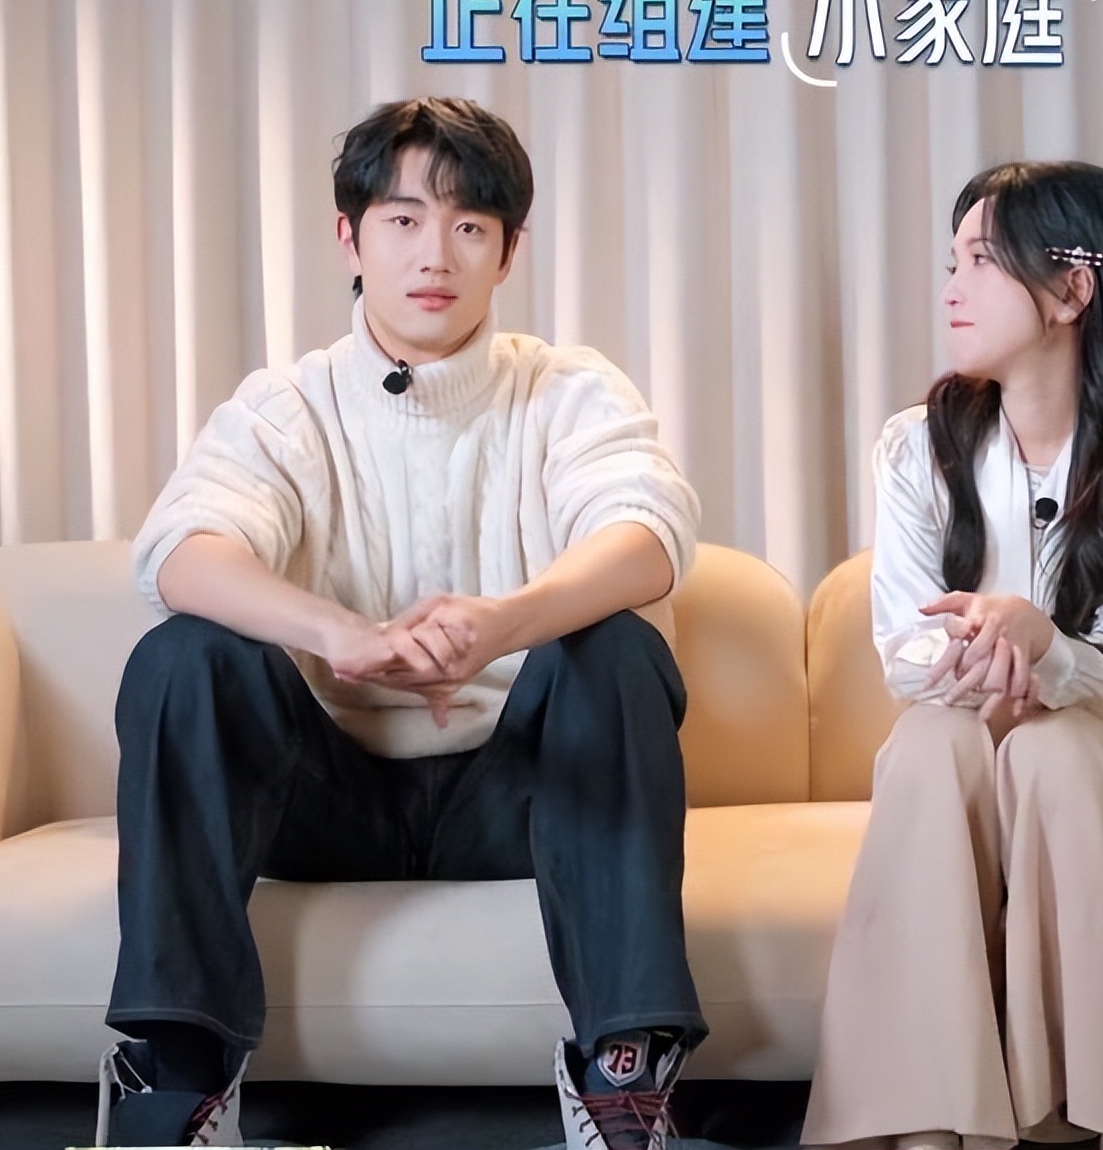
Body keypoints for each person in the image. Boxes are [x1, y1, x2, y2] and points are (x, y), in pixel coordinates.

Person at [96, 96, 707, 1150]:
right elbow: (181, 551)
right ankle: (179, 1084)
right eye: (404, 219)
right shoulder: (288, 404)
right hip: (319, 796)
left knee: (616, 649)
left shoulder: (566, 389)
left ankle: (623, 1081)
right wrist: (338, 633)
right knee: (184, 656)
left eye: (470, 225)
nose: (436, 254)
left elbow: (649, 534)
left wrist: (506, 623)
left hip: (522, 795)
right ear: (350, 237)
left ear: (509, 250)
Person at [801, 162, 1103, 1150]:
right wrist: (995, 655)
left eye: (981, 262)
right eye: (950, 261)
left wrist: (1045, 648)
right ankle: (923, 1126)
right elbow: (905, 649)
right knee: (929, 742)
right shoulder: (917, 448)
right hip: (969, 765)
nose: (951, 287)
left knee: (1056, 747)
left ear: (1072, 289)